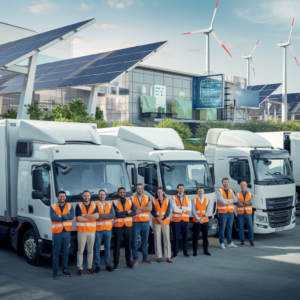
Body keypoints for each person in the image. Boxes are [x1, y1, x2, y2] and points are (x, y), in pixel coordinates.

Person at [50, 191, 74, 280]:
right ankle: (55, 271)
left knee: (65, 252)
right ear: (57, 197)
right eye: (60, 196)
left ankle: (65, 270)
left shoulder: (70, 206)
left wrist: (61, 216)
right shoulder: (53, 207)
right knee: (56, 252)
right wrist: (65, 216)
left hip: (66, 232)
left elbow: (71, 217)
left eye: (63, 196)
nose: (62, 198)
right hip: (57, 232)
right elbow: (53, 218)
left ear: (65, 197)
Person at [75, 190, 99, 276]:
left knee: (90, 250)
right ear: (82, 196)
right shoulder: (78, 206)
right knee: (80, 250)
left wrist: (85, 215)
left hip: (91, 231)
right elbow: (79, 218)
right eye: (85, 196)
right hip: (82, 231)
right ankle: (80, 268)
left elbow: (97, 216)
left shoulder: (94, 205)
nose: (86, 197)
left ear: (90, 196)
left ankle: (89, 268)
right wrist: (91, 217)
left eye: (88, 195)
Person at [112, 187, 136, 270]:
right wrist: (127, 212)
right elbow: (117, 214)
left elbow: (133, 212)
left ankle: (128, 262)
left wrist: (123, 213)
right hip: (118, 226)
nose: (122, 193)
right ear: (118, 193)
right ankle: (115, 263)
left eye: (123, 192)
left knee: (128, 245)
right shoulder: (114, 202)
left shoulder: (130, 201)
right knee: (117, 246)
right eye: (120, 192)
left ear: (125, 193)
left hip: (128, 226)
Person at [94, 189, 115, 273]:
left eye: (103, 194)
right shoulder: (95, 205)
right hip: (98, 230)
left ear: (105, 196)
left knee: (107, 247)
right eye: (100, 194)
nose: (102, 196)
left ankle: (107, 265)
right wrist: (106, 216)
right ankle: (97, 266)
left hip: (107, 229)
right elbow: (96, 217)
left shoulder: (110, 205)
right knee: (97, 248)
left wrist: (101, 216)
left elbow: (112, 215)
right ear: (98, 196)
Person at [131, 184, 153, 265]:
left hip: (146, 223)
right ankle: (135, 258)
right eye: (138, 188)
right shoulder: (131, 198)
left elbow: (149, 208)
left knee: (145, 241)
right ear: (136, 189)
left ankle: (145, 258)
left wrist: (138, 207)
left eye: (141, 188)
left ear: (143, 189)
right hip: (136, 222)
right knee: (134, 242)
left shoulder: (148, 197)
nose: (140, 190)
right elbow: (131, 210)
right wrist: (142, 208)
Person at [151, 187, 172, 263]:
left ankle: (168, 256)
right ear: (157, 193)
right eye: (158, 192)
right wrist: (157, 218)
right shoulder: (153, 200)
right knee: (157, 239)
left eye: (161, 192)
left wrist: (163, 219)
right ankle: (159, 256)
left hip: (165, 222)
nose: (159, 193)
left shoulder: (167, 200)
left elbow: (168, 211)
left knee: (166, 239)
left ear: (163, 192)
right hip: (156, 222)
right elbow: (152, 211)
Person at [171, 184, 192, 258]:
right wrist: (184, 208)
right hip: (176, 221)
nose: (181, 189)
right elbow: (174, 209)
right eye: (179, 188)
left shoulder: (187, 198)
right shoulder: (173, 197)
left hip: (185, 220)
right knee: (176, 237)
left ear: (184, 189)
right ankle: (175, 253)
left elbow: (189, 208)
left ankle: (185, 252)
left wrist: (181, 207)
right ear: (177, 189)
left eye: (182, 188)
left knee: (185, 237)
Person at [217, 178, 238, 249]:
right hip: (223, 212)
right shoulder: (219, 191)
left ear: (228, 183)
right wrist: (231, 200)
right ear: (222, 183)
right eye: (224, 182)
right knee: (222, 228)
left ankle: (230, 242)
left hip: (230, 212)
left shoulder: (231, 190)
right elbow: (222, 201)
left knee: (229, 228)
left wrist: (227, 201)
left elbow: (236, 200)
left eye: (227, 182)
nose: (226, 183)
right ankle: (222, 243)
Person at [192, 187, 211, 256]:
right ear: (197, 192)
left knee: (205, 236)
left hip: (205, 221)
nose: (200, 192)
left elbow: (208, 211)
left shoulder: (207, 200)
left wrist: (202, 219)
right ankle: (195, 251)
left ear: (203, 192)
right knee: (195, 237)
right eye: (199, 191)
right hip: (197, 221)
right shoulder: (194, 200)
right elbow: (193, 211)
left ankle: (205, 250)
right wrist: (199, 219)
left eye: (201, 191)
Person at [236, 181, 255, 247]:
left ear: (246, 185)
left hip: (248, 213)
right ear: (240, 186)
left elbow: (251, 203)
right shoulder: (237, 194)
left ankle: (251, 241)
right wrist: (247, 203)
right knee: (241, 228)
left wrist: (243, 203)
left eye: (244, 185)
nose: (243, 186)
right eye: (241, 185)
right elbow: (238, 203)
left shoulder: (250, 194)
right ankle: (242, 241)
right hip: (240, 214)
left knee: (250, 228)